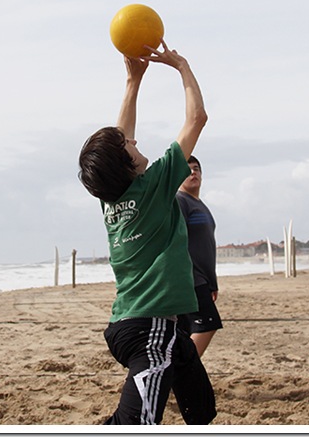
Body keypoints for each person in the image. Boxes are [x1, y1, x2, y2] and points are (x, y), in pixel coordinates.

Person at [78, 40, 216, 425]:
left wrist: (132, 81)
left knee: (201, 409)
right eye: (129, 145)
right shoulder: (155, 185)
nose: (135, 141)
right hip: (151, 329)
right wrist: (182, 65)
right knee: (135, 425)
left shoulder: (111, 199)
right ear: (126, 163)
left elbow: (119, 135)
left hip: (133, 324)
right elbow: (197, 119)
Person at [176, 157, 221, 358]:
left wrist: (212, 282)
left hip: (201, 280)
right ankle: (184, 369)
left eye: (196, 169)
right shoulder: (180, 201)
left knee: (184, 333)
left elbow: (206, 248)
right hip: (189, 279)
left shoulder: (199, 204)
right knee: (207, 324)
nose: (193, 173)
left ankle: (176, 374)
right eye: (187, 170)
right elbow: (176, 243)